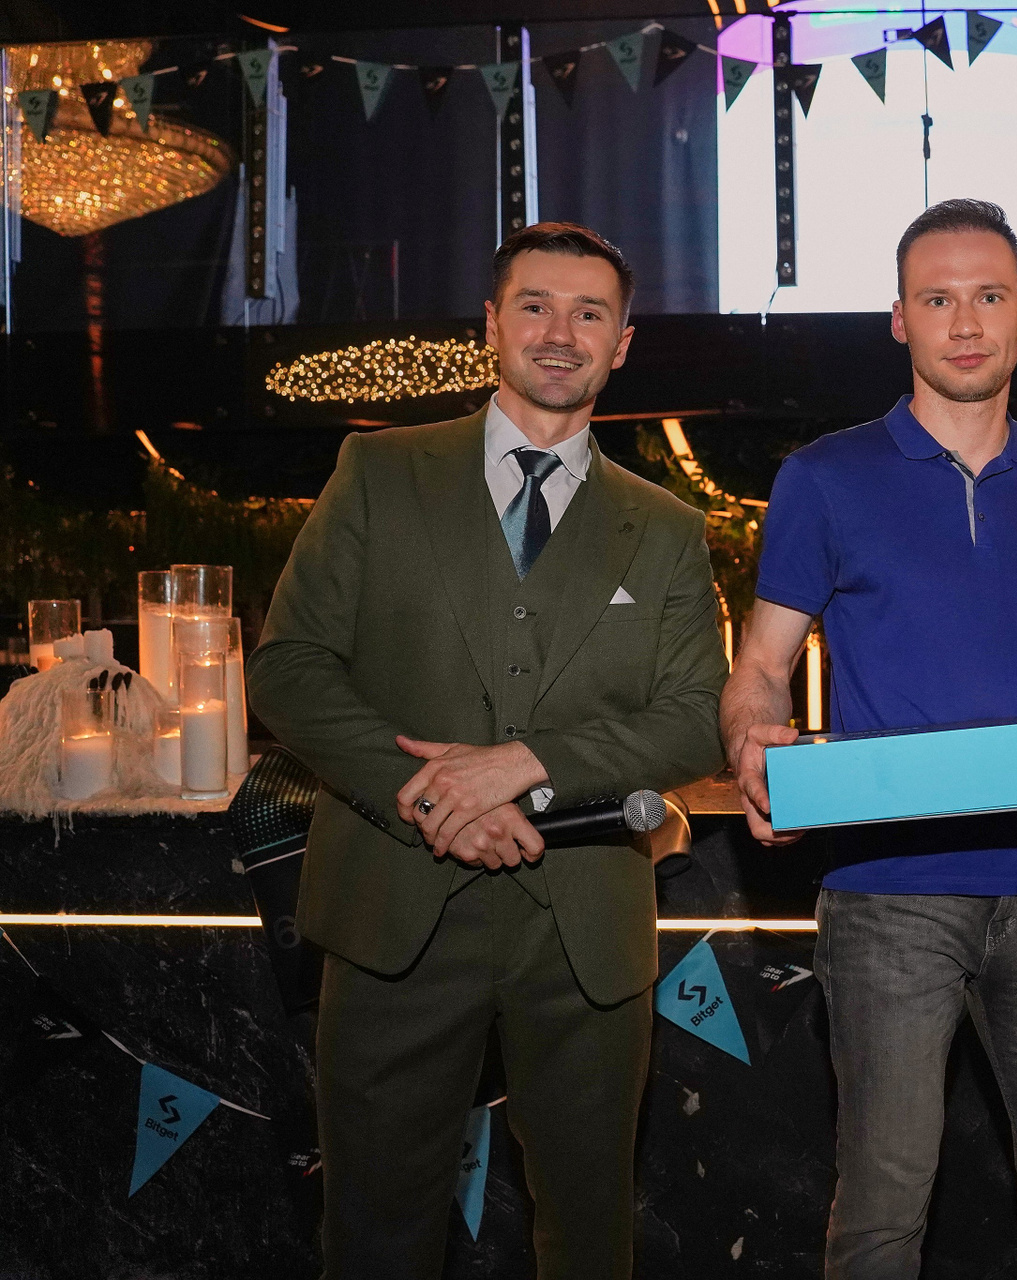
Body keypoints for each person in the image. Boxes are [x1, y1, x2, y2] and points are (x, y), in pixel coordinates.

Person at [250, 222, 728, 1278]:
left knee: (590, 1239)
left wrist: (524, 763)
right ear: (491, 324)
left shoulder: (666, 527)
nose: (561, 333)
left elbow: (698, 717)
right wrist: (427, 792)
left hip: (586, 927)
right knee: (373, 1236)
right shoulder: (379, 471)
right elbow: (288, 668)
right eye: (535, 306)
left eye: (589, 313)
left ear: (622, 344)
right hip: (394, 912)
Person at [721, 198, 1017, 1279]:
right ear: (899, 320)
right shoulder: (823, 476)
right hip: (886, 897)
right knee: (882, 1213)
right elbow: (760, 667)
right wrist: (752, 743)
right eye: (937, 299)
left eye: (987, 296)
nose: (964, 323)